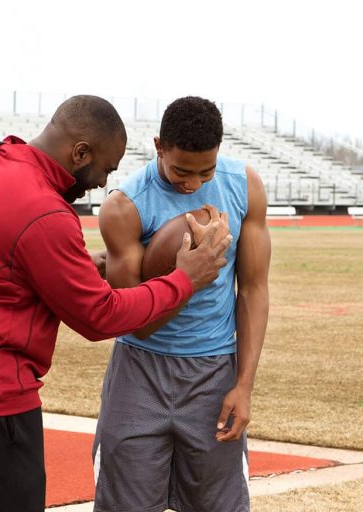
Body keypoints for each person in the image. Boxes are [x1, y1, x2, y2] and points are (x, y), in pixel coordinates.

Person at [0, 95, 231, 512]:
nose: (101, 183)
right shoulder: (45, 210)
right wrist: (185, 279)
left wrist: (80, 266)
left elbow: (0, 267)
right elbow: (100, 316)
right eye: (105, 169)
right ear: (80, 152)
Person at [93, 96, 271, 511]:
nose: (192, 184)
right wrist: (189, 277)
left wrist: (243, 385)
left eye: (205, 171)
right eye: (180, 170)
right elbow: (136, 320)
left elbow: (253, 290)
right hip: (140, 369)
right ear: (159, 146)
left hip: (214, 373)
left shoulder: (245, 185)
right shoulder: (124, 206)